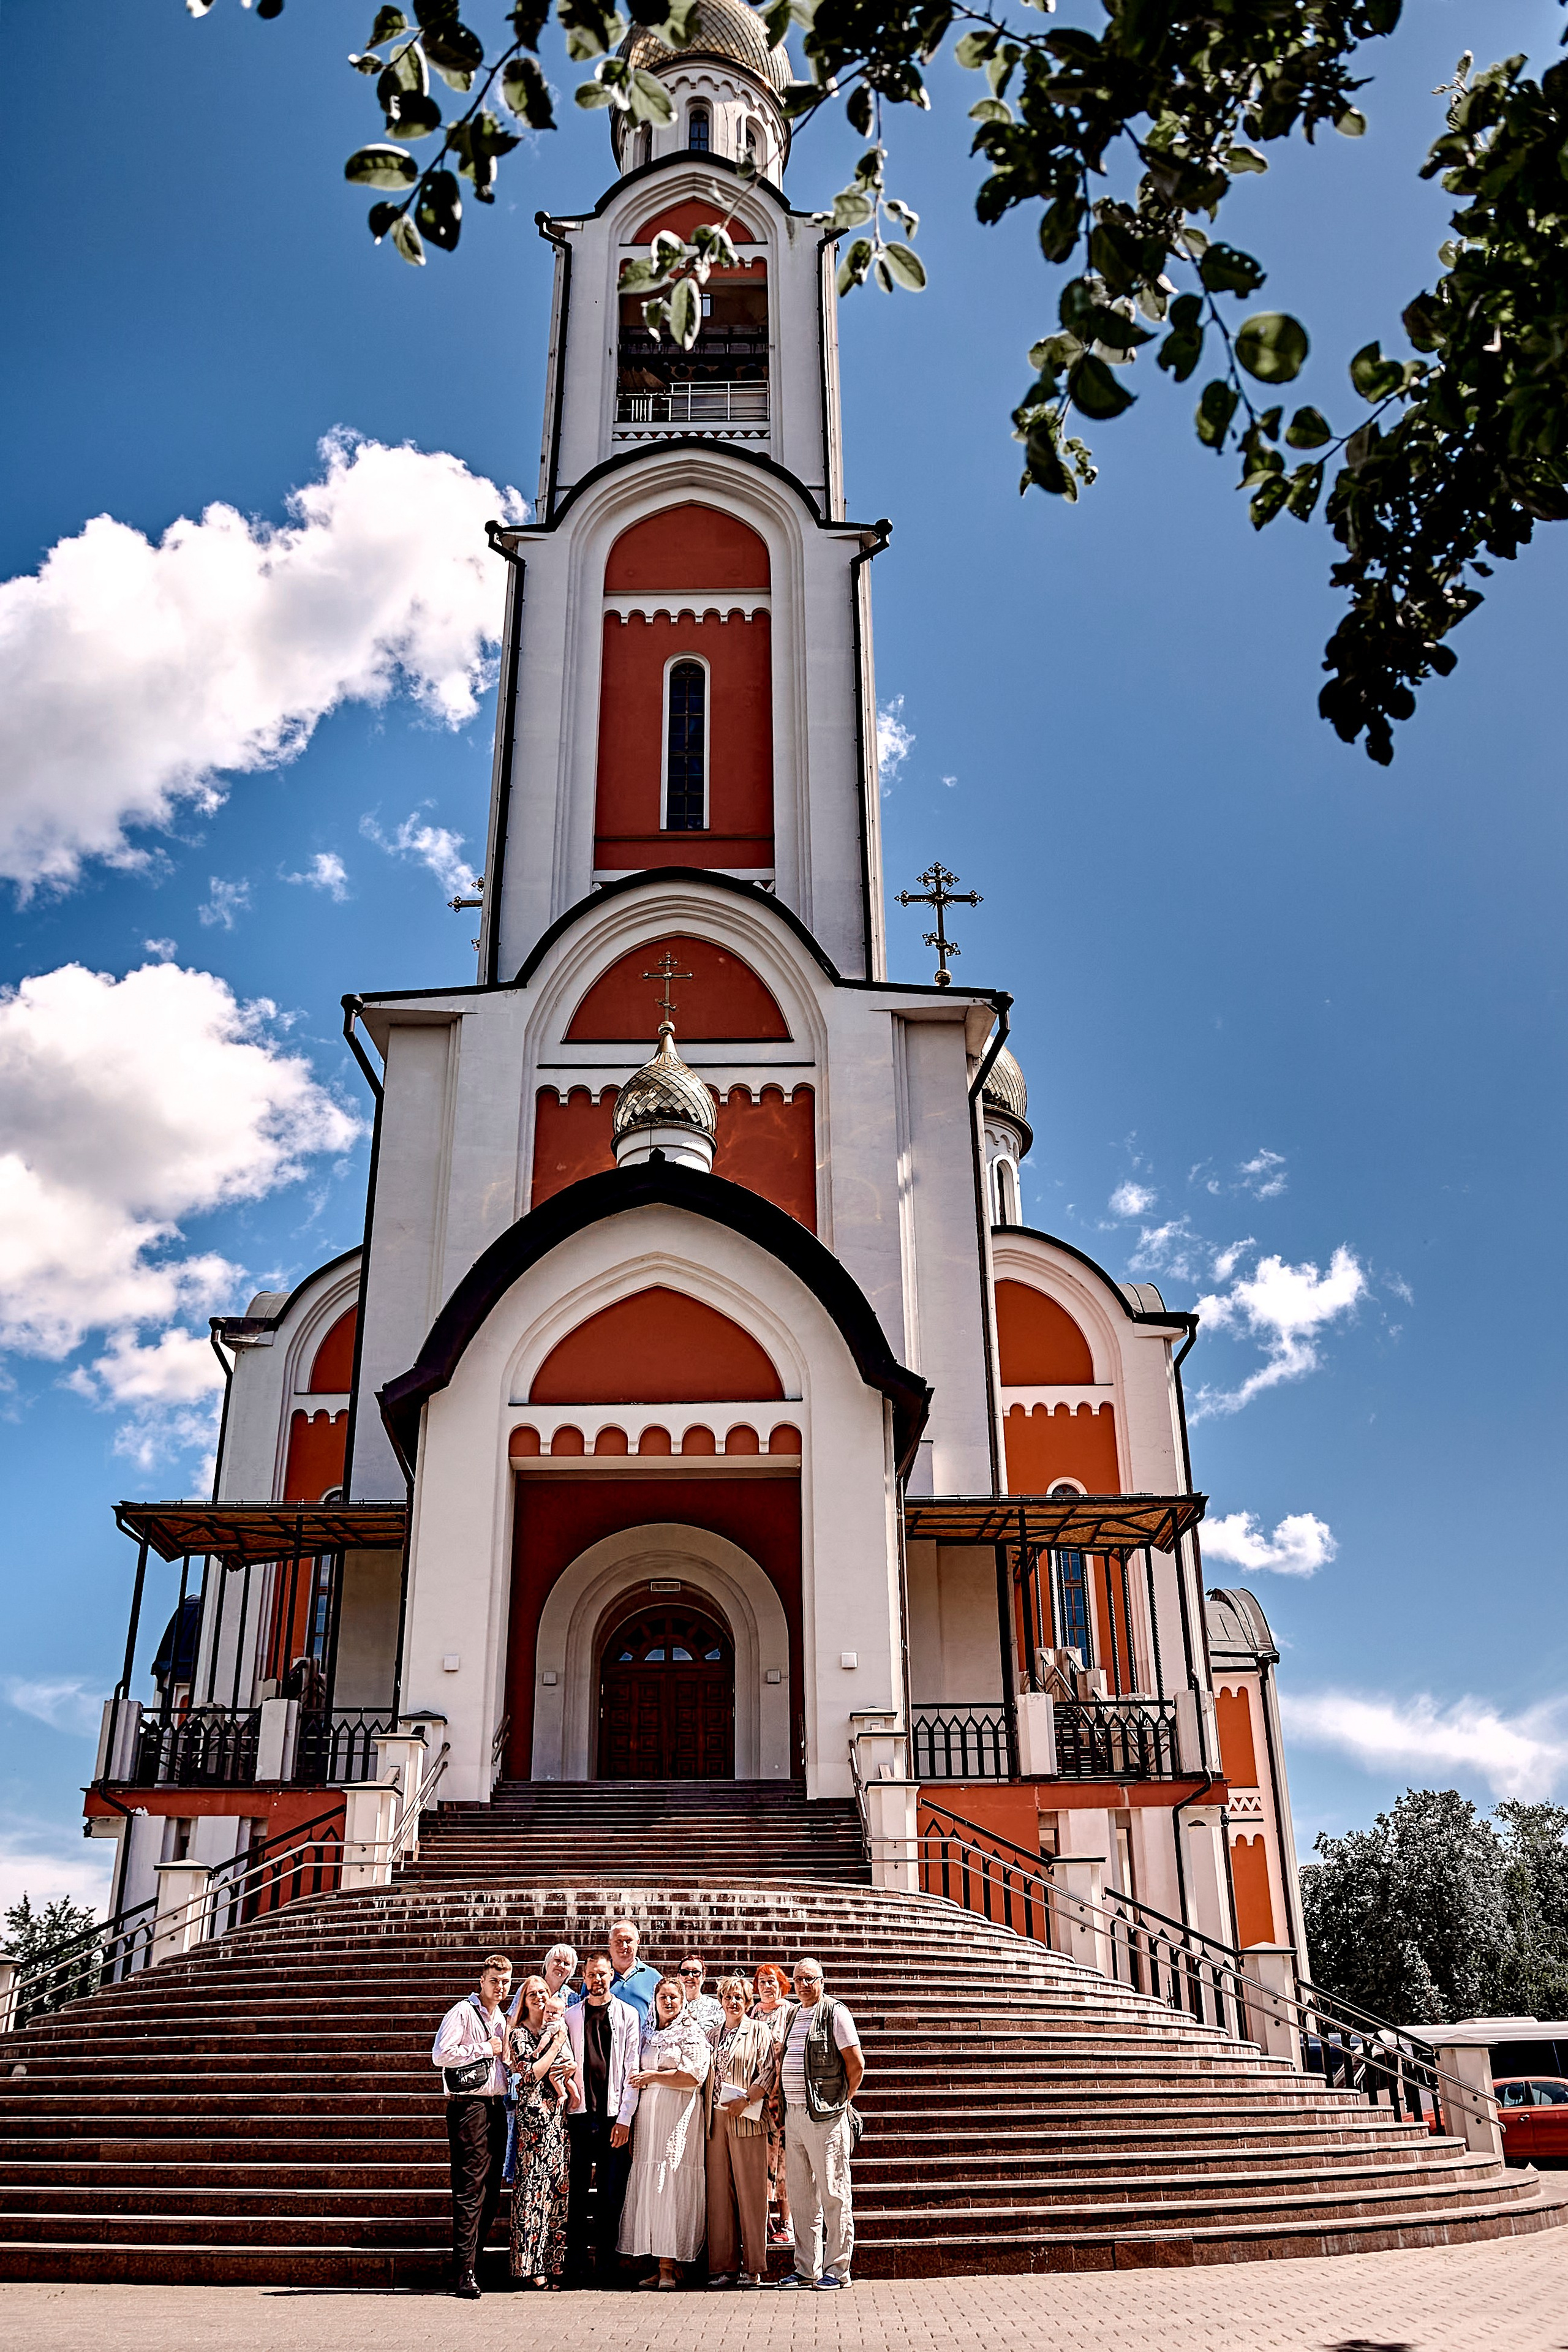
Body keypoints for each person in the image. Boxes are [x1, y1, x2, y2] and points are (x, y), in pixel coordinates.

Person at [775, 1956, 862, 2293]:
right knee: (800, 2196)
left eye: (810, 1979)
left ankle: (838, 2269)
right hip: (794, 2115)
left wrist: (842, 2101)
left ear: (823, 1980)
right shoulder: (796, 2013)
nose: (803, 1985)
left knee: (834, 2194)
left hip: (825, 2115)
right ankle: (806, 2267)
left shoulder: (835, 2013)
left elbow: (856, 2064)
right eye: (798, 1979)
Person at [617, 1976, 711, 2288]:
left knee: (670, 2184)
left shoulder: (692, 2032)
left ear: (683, 2001)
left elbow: (693, 2076)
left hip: (677, 2119)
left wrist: (654, 2077)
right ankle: (659, 2263)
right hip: (649, 2120)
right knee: (652, 2188)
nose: (669, 2002)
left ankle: (671, 2266)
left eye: (674, 1997)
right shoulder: (647, 2033)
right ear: (655, 2000)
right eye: (663, 1997)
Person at [431, 1952, 513, 2298]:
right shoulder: (462, 2012)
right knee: (469, 2190)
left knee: (491, 2191)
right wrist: (484, 2048)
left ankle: (474, 2266)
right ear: (481, 1980)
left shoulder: (502, 2019)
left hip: (496, 2107)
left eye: (505, 1982)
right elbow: (440, 2055)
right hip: (468, 2108)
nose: (500, 1987)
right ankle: (463, 2273)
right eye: (494, 1980)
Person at [562, 1951, 642, 2287]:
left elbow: (632, 2070)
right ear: (584, 1975)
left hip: (612, 2119)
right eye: (592, 1974)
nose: (598, 1980)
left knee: (611, 2195)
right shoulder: (570, 2016)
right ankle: (576, 2267)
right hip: (579, 2119)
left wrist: (625, 2119)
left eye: (603, 1974)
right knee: (577, 2195)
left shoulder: (628, 2015)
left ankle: (608, 2268)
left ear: (612, 1976)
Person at [704, 1975, 778, 2289]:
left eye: (739, 1998)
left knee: (750, 2193)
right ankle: (725, 2266)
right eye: (728, 1997)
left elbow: (770, 2070)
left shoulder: (759, 2031)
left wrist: (748, 2097)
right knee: (719, 2194)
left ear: (748, 2002)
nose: (733, 2002)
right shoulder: (711, 2034)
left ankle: (754, 2266)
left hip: (747, 2116)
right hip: (716, 2119)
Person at [507, 1975, 574, 2288]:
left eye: (543, 1992)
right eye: (532, 1993)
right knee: (532, 2195)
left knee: (557, 2193)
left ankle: (553, 2264)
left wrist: (569, 2066)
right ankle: (530, 2269)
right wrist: (557, 2045)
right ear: (524, 1999)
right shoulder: (520, 2034)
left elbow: (567, 2065)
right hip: (534, 2123)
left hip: (557, 2121)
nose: (538, 1997)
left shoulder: (557, 2024)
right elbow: (530, 2074)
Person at [505, 1944, 579, 2185]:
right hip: (532, 2085)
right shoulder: (529, 1988)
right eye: (557, 1960)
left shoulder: (573, 1996)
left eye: (567, 1963)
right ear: (546, 1963)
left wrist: (571, 2065)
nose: (561, 1966)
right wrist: (510, 2060)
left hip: (558, 2077)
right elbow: (512, 2021)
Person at [752, 1964, 793, 2252]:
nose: (767, 1987)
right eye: (762, 1982)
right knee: (762, 2158)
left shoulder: (791, 2012)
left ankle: (786, 2222)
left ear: (782, 1984)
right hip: (758, 2095)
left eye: (773, 1981)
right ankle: (764, 2219)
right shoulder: (753, 2012)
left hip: (783, 2095)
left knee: (785, 2160)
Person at [571, 1918, 660, 2027]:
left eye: (629, 1941)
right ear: (610, 1943)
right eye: (618, 1940)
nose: (624, 1946)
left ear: (638, 1942)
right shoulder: (596, 1978)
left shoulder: (654, 1978)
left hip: (640, 2043)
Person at [677, 1954, 725, 2046]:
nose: (690, 1976)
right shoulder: (668, 2006)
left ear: (703, 1977)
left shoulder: (716, 2007)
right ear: (678, 1976)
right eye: (685, 1972)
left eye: (696, 1972)